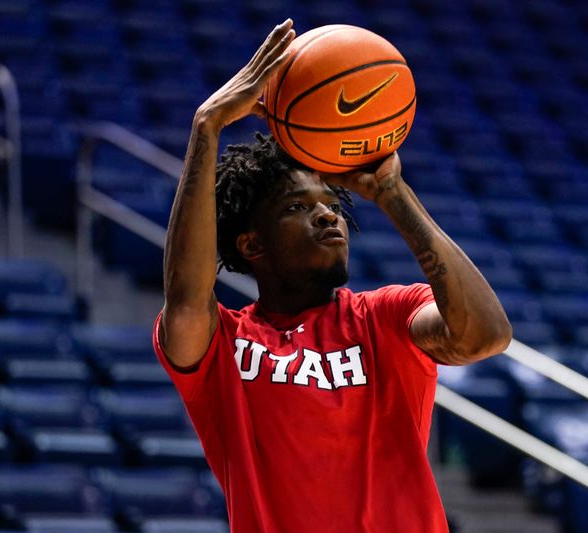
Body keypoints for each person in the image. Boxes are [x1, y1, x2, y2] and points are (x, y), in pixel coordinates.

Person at [152, 19, 512, 532]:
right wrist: (207, 126)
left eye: (331, 204)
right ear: (253, 244)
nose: (328, 215)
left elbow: (486, 336)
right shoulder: (223, 345)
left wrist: (393, 194)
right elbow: (186, 299)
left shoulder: (384, 317)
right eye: (298, 206)